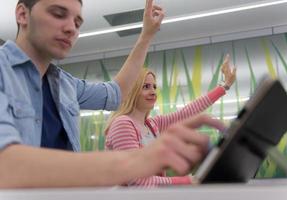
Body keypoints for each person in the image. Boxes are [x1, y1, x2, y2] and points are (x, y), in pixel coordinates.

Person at [0, 0, 227, 188]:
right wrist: (138, 161)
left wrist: (146, 35)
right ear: (22, 14)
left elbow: (115, 93)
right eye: (58, 14)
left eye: (78, 22)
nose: (71, 28)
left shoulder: (65, 84)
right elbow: (5, 164)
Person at [105, 57, 236, 187]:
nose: (153, 92)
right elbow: (137, 181)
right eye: (146, 87)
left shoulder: (152, 125)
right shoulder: (122, 124)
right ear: (132, 91)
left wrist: (225, 86)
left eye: (154, 87)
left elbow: (187, 113)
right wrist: (186, 181)